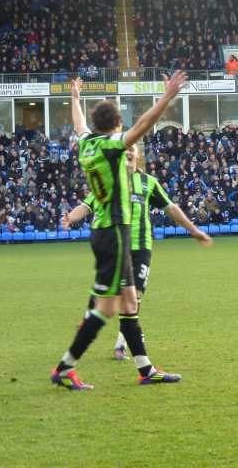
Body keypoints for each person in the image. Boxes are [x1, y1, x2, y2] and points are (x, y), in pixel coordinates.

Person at [50, 72, 187, 391]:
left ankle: (145, 369)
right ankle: (64, 367)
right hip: (112, 232)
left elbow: (79, 125)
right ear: (115, 125)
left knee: (128, 301)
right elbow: (143, 126)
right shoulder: (112, 146)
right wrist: (166, 98)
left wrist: (74, 98)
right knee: (107, 308)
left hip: (110, 235)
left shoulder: (87, 143)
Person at [64, 143, 212, 372]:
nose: (130, 153)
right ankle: (89, 326)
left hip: (141, 247)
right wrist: (70, 218)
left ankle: (121, 346)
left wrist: (193, 230)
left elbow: (171, 208)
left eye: (134, 150)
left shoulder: (148, 183)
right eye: (126, 150)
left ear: (138, 155)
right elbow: (87, 205)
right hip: (116, 246)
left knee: (135, 298)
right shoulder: (109, 182)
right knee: (106, 296)